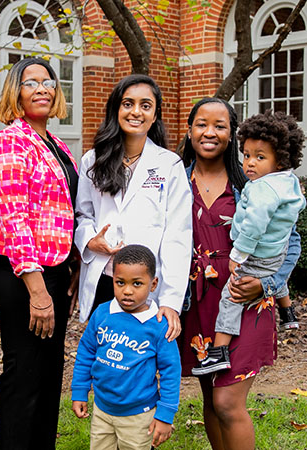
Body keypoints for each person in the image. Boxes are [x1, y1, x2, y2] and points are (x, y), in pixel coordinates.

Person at [178, 98, 301, 450]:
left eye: (220, 125)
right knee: (211, 398)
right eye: (202, 124)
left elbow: (291, 245)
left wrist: (267, 284)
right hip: (197, 303)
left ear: (232, 134)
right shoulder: (175, 181)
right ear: (190, 130)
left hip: (244, 297)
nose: (210, 132)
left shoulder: (253, 185)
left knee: (227, 402)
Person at [0, 57, 79, 450]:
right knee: (24, 373)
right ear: (14, 92)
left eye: (48, 81)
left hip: (54, 270)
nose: (42, 88)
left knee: (48, 372)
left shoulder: (55, 144)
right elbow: (14, 218)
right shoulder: (10, 141)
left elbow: (64, 213)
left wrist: (72, 267)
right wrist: (38, 293)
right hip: (22, 273)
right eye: (30, 83)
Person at [75, 74, 192, 341]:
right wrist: (91, 241)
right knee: (106, 362)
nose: (136, 111)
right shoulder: (92, 161)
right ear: (116, 108)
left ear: (154, 115)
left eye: (145, 105)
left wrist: (171, 301)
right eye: (128, 103)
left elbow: (178, 236)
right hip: (106, 278)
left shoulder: (169, 165)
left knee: (141, 365)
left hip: (148, 286)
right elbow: (83, 214)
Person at [193, 111, 305, 376]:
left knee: (231, 295)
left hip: (254, 258)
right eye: (247, 155)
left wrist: (240, 254)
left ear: (281, 160)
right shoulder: (287, 182)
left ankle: (218, 352)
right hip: (270, 255)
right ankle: (288, 314)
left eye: (260, 157)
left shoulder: (261, 188)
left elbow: (256, 225)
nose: (250, 163)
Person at [71, 244, 181, 449]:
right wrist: (79, 391)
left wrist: (165, 414)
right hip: (102, 408)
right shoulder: (103, 314)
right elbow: (86, 353)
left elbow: (171, 372)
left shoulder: (158, 326)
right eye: (120, 282)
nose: (127, 291)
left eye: (137, 284)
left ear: (153, 284)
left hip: (139, 415)